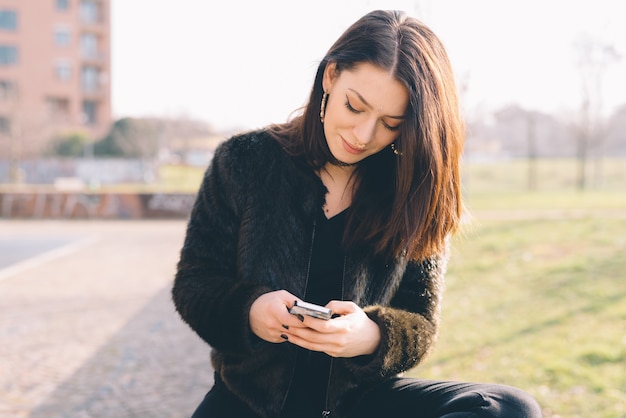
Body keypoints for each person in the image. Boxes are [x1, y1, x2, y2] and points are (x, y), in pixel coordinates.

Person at [172, 9, 542, 418]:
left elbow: (420, 321)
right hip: (247, 402)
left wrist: (372, 336)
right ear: (330, 77)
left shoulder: (414, 189)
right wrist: (251, 311)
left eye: (390, 123)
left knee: (509, 408)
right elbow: (194, 284)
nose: (364, 136)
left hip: (359, 404)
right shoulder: (243, 161)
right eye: (354, 106)